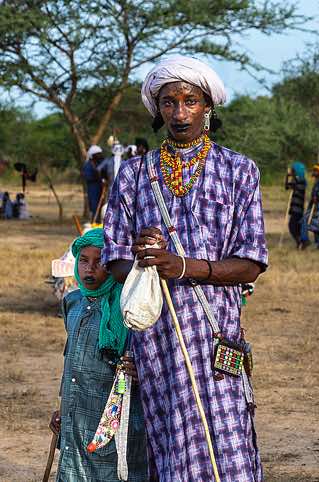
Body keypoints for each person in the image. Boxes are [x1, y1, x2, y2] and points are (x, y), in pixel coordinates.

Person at [102, 55, 267, 481]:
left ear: (208, 106)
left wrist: (182, 266)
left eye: (189, 101)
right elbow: (114, 257)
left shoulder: (239, 171)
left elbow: (250, 264)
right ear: (157, 109)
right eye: (169, 102)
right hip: (156, 337)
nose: (179, 113)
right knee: (169, 442)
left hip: (215, 335)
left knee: (226, 447)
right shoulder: (134, 175)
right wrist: (140, 260)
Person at [50, 228, 148, 481]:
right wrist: (63, 407)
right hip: (76, 415)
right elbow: (70, 361)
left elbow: (148, 361)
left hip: (114, 419)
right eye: (83, 260)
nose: (89, 269)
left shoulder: (130, 308)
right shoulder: (73, 302)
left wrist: (142, 372)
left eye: (100, 262)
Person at [284, 161, 307, 248]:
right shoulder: (296, 180)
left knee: (292, 226)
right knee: (295, 227)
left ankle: (301, 242)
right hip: (294, 208)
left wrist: (291, 176)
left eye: (293, 170)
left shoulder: (302, 181)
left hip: (298, 208)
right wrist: (287, 177)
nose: (292, 172)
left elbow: (295, 184)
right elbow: (287, 187)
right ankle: (300, 242)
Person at [83, 145, 105, 218]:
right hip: (93, 188)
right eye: (98, 154)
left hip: (102, 188)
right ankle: (95, 222)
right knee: (95, 207)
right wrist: (98, 176)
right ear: (93, 155)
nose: (100, 155)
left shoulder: (101, 163)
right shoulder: (88, 165)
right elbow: (88, 177)